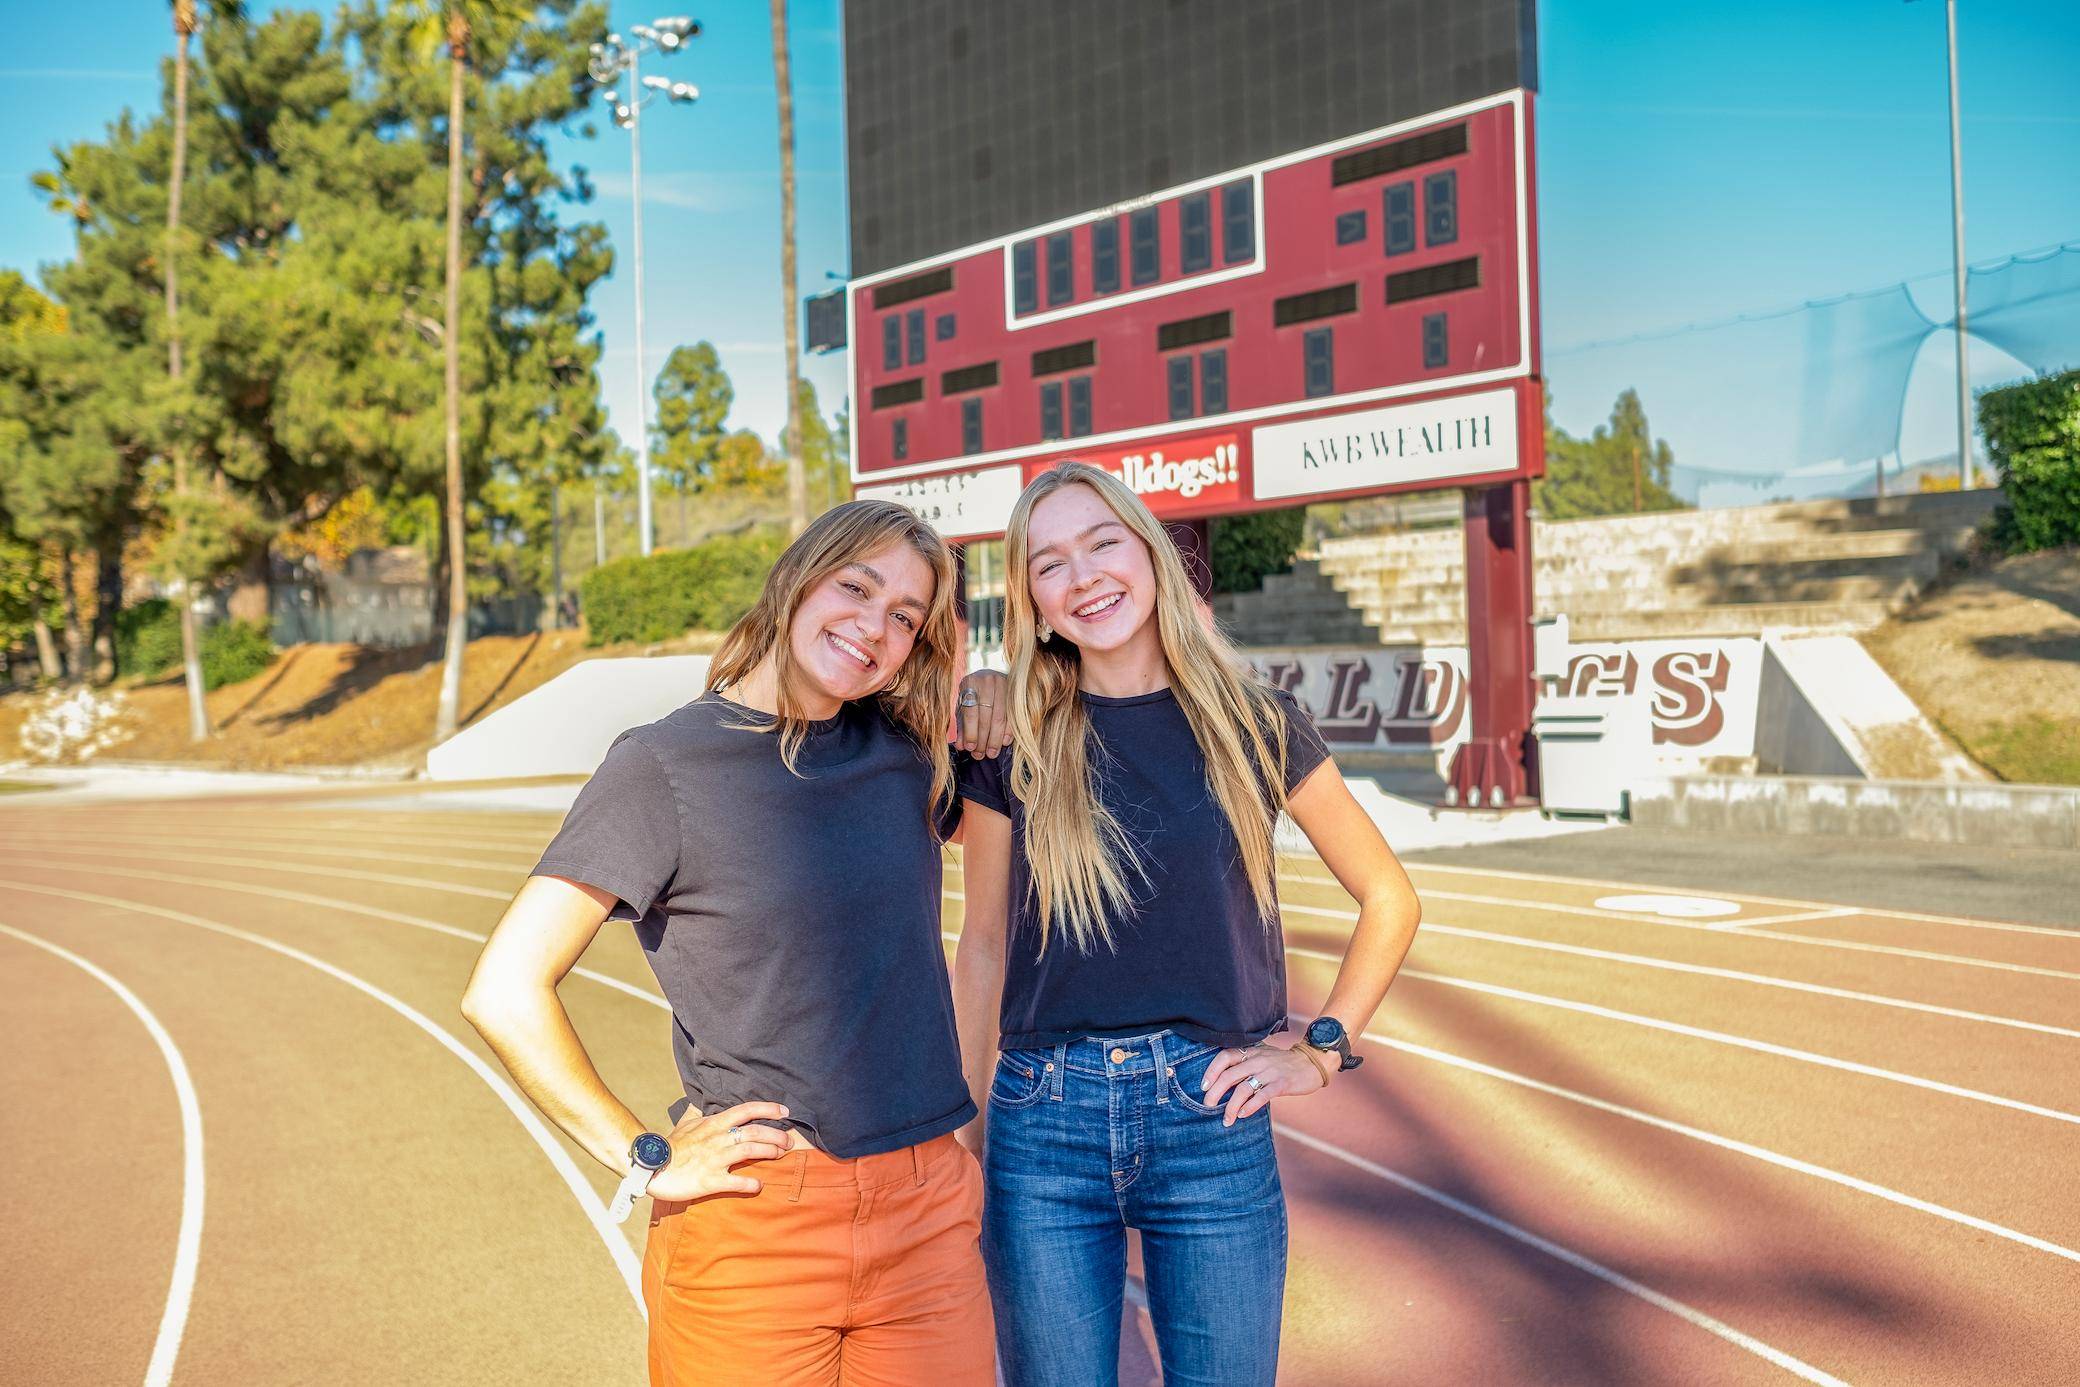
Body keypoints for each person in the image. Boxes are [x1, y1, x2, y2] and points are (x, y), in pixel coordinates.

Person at [463, 500, 1009, 1386]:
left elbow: (1000, 897)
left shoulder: (909, 755)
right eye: (857, 587)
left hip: (929, 1217)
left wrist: (1004, 683)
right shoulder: (663, 765)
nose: (875, 628)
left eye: (906, 617)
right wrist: (645, 1154)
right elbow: (503, 987)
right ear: (799, 576)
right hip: (758, 1223)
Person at [951, 462, 1423, 1387]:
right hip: (1040, 1122)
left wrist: (1321, 1049)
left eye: (1103, 543)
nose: (1083, 576)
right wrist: (969, 1142)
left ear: (1153, 555)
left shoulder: (1256, 722)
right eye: (1049, 564)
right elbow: (983, 945)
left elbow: (1390, 897)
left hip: (1212, 1112)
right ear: (1034, 603)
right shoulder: (1013, 740)